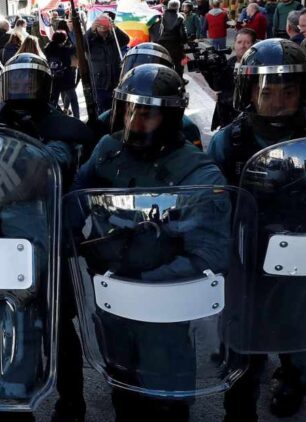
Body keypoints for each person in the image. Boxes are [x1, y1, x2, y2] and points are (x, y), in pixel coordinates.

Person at [210, 38, 306, 422]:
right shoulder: (226, 144)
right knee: (240, 368)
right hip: (248, 274)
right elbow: (206, 208)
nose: (278, 102)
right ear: (249, 92)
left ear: (304, 92)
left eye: (289, 92)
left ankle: (294, 376)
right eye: (267, 92)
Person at [73, 63, 228, 421]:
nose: (134, 124)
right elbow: (79, 194)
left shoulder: (198, 172)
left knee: (165, 392)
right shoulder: (108, 149)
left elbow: (210, 252)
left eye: (147, 115)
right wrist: (67, 234)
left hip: (163, 299)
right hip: (111, 288)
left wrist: (148, 284)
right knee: (121, 380)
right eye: (129, 111)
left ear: (171, 117)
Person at [0, 52, 96, 422]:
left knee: (59, 327)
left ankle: (72, 400)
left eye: (29, 83)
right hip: (4, 242)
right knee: (12, 320)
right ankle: (11, 392)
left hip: (51, 240)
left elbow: (49, 166)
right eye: (15, 82)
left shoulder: (61, 130)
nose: (21, 91)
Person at [209, 28, 256, 131]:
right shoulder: (231, 61)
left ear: (253, 46)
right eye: (239, 42)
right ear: (234, 44)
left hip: (246, 121)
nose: (242, 46)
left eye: (247, 42)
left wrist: (224, 96)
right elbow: (218, 86)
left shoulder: (256, 67)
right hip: (225, 119)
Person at [86, 14, 130, 112]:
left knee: (116, 110)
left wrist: (116, 29)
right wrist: (90, 31)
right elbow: (81, 45)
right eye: (100, 27)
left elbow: (126, 40)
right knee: (101, 112)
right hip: (99, 83)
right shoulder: (91, 39)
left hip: (115, 82)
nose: (103, 31)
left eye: (105, 28)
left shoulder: (114, 35)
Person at [46, 30, 80, 119]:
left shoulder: (47, 49)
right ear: (63, 39)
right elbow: (76, 47)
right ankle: (77, 118)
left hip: (53, 78)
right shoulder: (65, 50)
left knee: (53, 101)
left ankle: (52, 119)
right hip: (66, 78)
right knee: (73, 99)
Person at [157, 0, 188, 75]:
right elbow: (182, 33)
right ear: (178, 7)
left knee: (164, 62)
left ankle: (164, 78)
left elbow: (157, 30)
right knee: (178, 63)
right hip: (175, 44)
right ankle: (180, 80)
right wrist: (185, 41)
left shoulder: (161, 16)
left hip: (162, 43)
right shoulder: (180, 17)